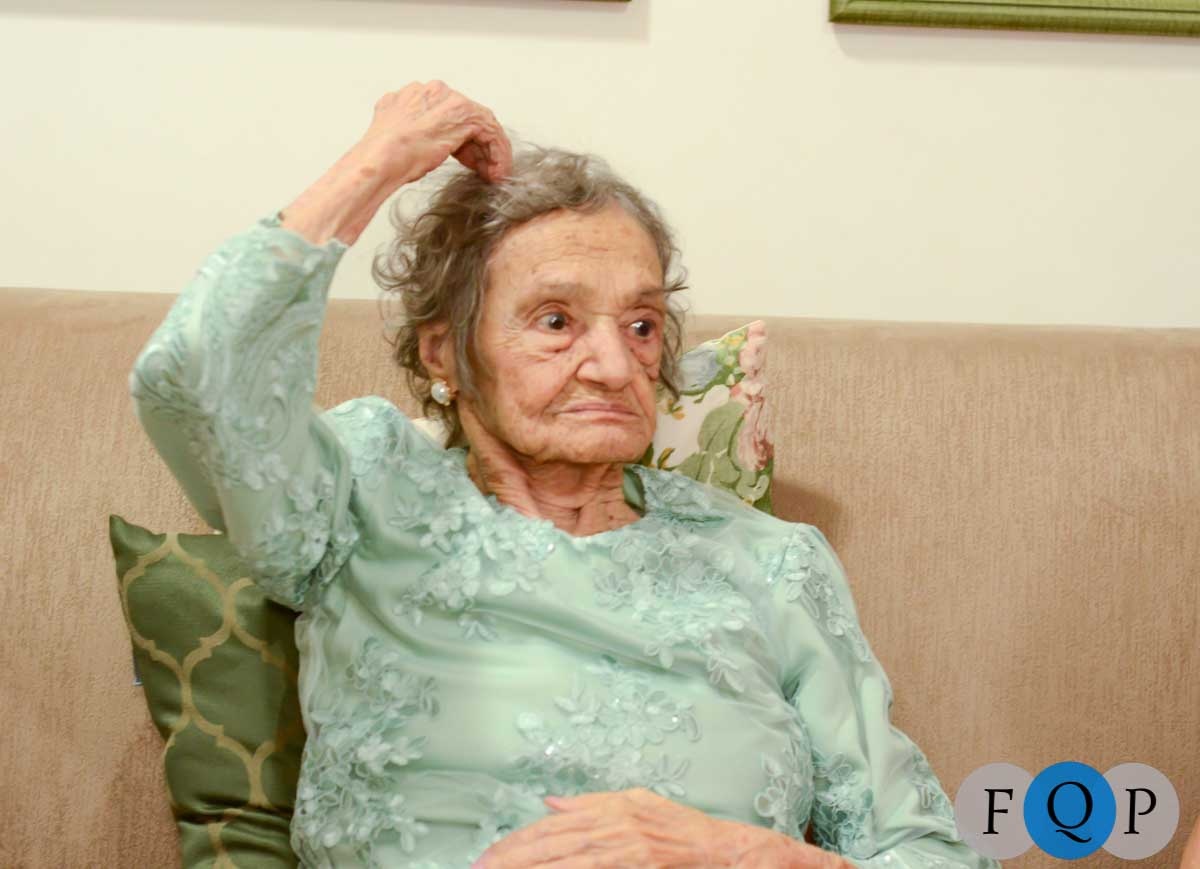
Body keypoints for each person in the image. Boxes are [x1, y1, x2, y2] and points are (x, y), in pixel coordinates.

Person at [129, 81, 999, 869]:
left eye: (643, 325)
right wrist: (377, 163)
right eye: (556, 321)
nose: (615, 367)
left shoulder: (771, 561)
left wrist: (744, 855)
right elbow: (194, 377)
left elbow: (932, 852)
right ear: (444, 352)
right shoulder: (360, 492)